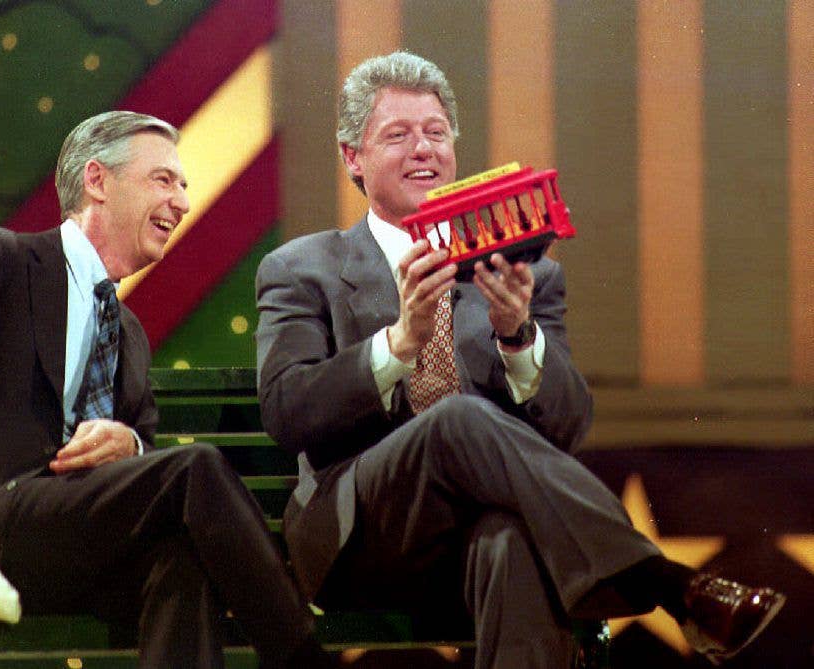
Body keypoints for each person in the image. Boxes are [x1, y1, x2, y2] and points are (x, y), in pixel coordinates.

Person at [254, 51, 784, 668]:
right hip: (365, 538)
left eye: (435, 133)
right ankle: (668, 585)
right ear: (353, 158)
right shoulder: (302, 269)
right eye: (397, 136)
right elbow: (288, 412)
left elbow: (565, 428)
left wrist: (517, 337)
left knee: (513, 547)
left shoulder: (523, 273)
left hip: (485, 531)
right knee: (457, 422)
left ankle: (668, 587)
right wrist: (397, 345)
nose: (422, 149)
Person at [0, 111, 334, 669]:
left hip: (76, 545)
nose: (182, 202)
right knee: (196, 469)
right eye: (164, 180)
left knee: (183, 556)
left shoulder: (129, 334)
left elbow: (146, 470)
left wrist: (131, 447)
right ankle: (304, 659)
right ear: (97, 181)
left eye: (183, 185)